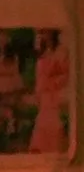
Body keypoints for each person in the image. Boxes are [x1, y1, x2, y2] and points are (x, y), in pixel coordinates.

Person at [31, 28, 70, 157]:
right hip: (44, 97)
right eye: (41, 33)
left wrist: (51, 84)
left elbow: (66, 74)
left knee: (54, 126)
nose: (43, 35)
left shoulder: (61, 52)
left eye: (45, 32)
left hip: (55, 96)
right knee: (41, 126)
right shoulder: (42, 52)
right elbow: (39, 76)